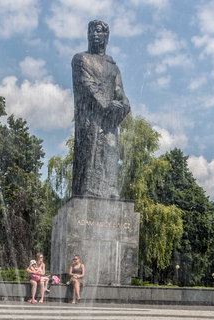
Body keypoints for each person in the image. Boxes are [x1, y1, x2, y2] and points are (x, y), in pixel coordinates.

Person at [71, 19, 131, 199]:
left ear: (107, 36)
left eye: (99, 31)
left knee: (110, 155)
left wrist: (124, 106)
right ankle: (87, 193)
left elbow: (120, 91)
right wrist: (106, 104)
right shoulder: (81, 59)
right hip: (90, 119)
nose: (95, 35)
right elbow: (87, 85)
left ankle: (110, 191)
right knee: (89, 156)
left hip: (110, 122)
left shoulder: (113, 66)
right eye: (92, 31)